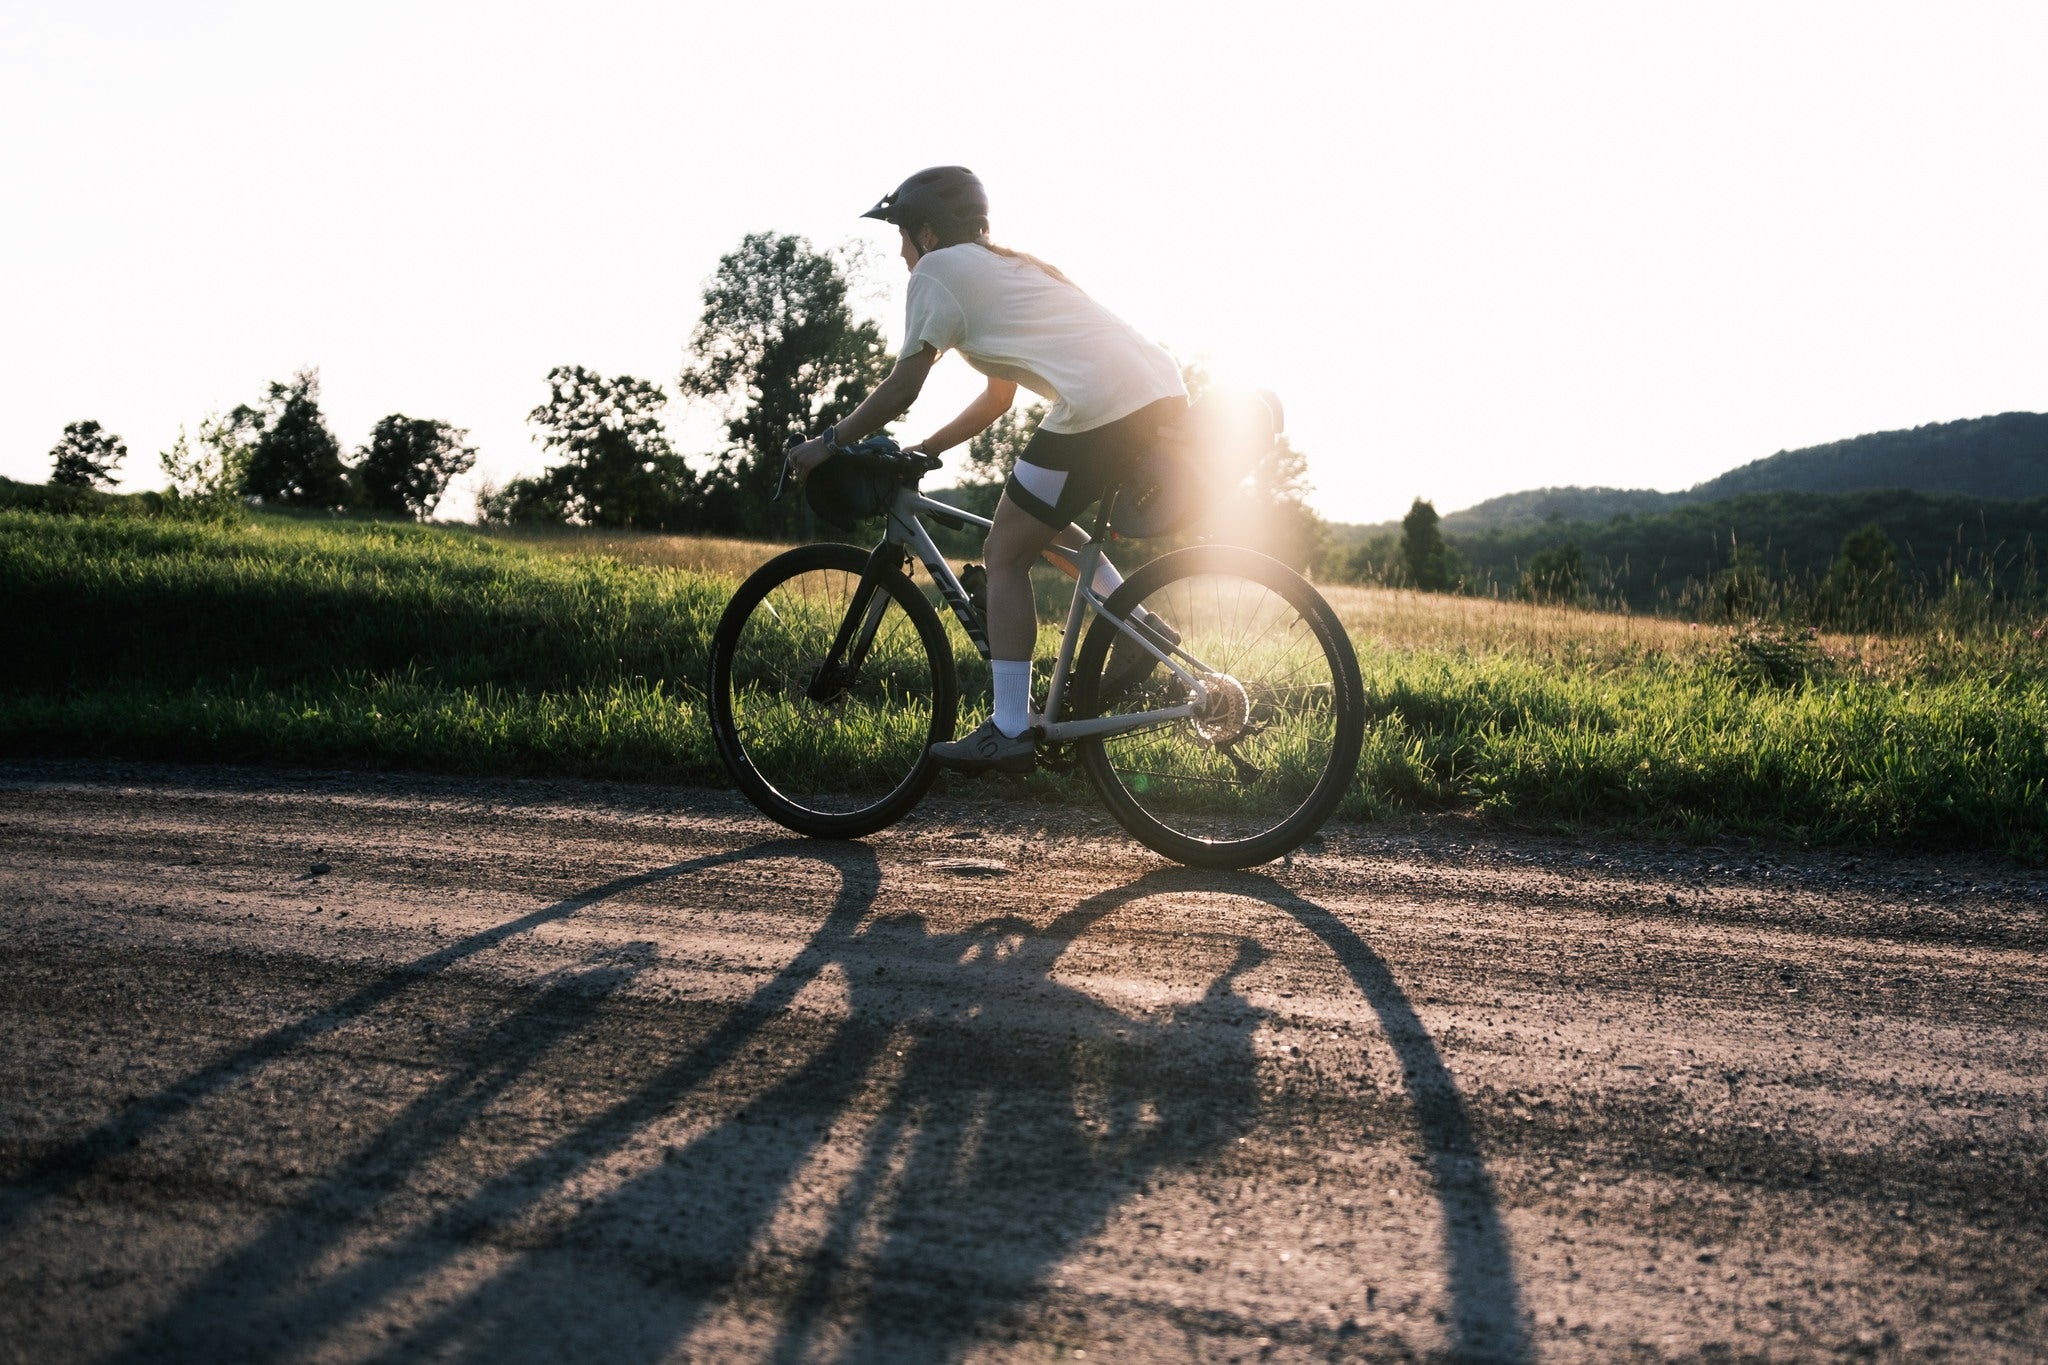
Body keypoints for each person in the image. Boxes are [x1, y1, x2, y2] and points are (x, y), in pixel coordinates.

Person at [788, 166, 1187, 773]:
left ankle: (1008, 726)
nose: (900, 251)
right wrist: (927, 448)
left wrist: (829, 440)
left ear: (926, 231)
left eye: (901, 234)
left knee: (1003, 553)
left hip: (1102, 403)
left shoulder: (937, 272)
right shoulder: (1004, 268)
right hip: (1154, 389)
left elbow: (903, 386)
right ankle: (1138, 624)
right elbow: (1000, 397)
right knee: (1042, 525)